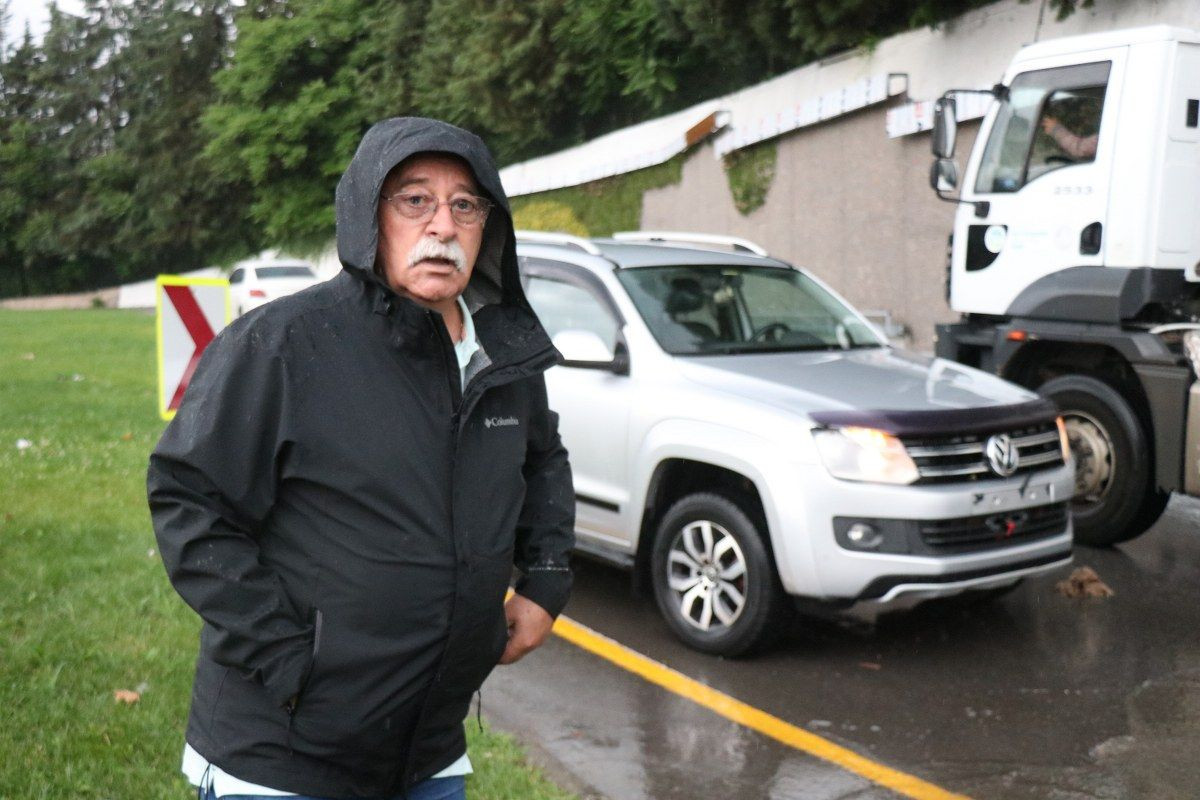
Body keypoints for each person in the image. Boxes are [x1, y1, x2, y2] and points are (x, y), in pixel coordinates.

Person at [147, 117, 575, 800]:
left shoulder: (502, 355)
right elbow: (189, 499)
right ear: (366, 214)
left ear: (487, 226)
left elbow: (543, 459)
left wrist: (547, 579)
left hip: (429, 750)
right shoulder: (282, 345)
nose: (442, 225)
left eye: (465, 204)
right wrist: (290, 659)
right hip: (283, 753)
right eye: (414, 200)